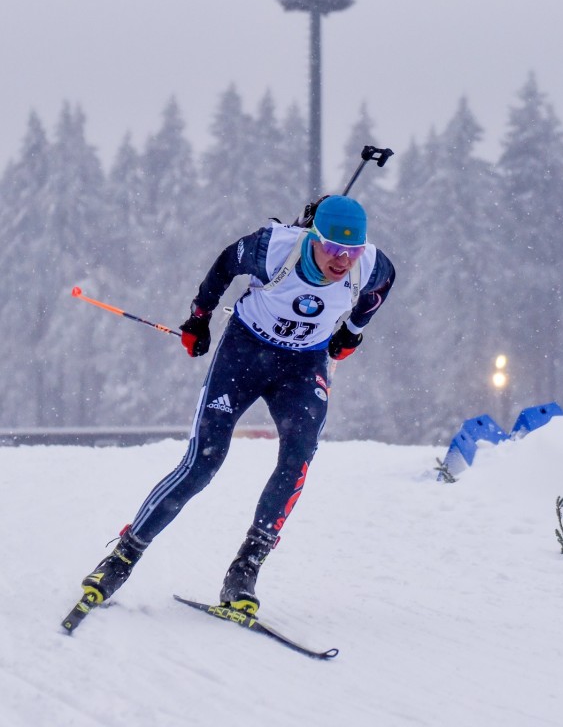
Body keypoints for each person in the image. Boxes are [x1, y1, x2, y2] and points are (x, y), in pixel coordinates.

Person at [79, 195, 395, 614]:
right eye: (335, 249)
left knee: (299, 455)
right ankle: (122, 557)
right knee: (204, 462)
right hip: (244, 356)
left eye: (351, 252)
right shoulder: (274, 248)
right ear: (313, 238)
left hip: (302, 368)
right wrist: (199, 318)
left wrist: (352, 331)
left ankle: (245, 570)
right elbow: (226, 264)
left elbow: (381, 287)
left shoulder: (370, 265)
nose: (343, 261)